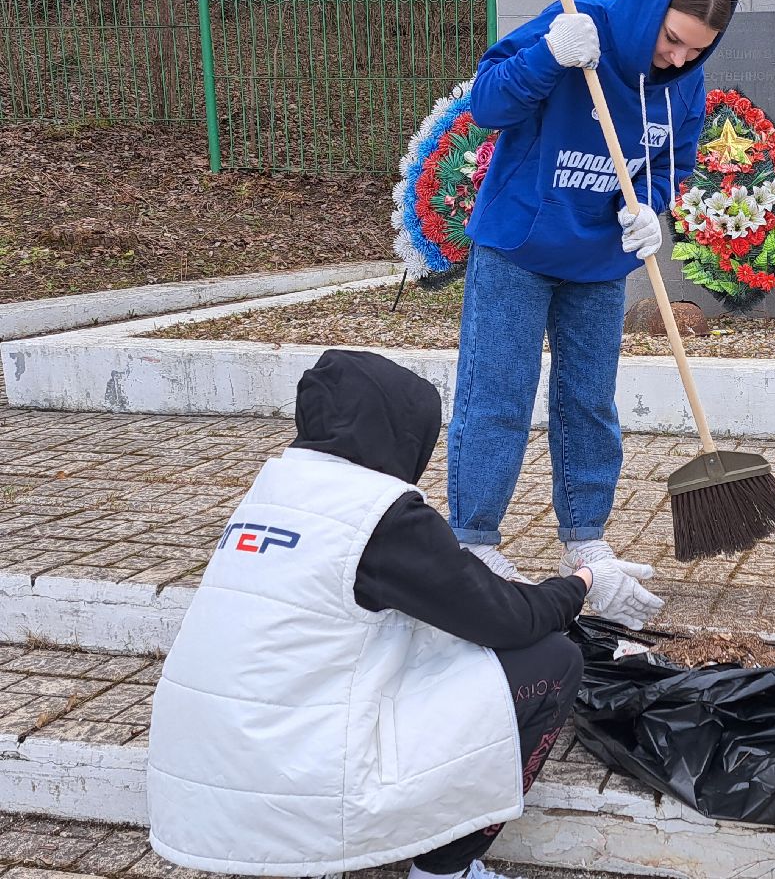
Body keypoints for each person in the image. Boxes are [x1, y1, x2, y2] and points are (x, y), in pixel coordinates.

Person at [147, 349, 636, 879]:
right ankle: (446, 869)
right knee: (551, 660)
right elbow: (510, 621)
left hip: (205, 780)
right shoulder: (380, 513)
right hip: (297, 789)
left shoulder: (275, 492)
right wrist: (583, 582)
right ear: (402, 432)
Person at [448, 0, 740, 626]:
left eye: (697, 48)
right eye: (671, 39)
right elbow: (487, 104)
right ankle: (473, 542)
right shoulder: (578, 24)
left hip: (601, 259)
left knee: (589, 405)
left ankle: (584, 541)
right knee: (498, 396)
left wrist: (649, 207)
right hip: (518, 244)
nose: (678, 57)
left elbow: (676, 162)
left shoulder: (685, 86)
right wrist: (548, 55)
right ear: (647, 8)